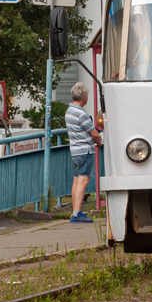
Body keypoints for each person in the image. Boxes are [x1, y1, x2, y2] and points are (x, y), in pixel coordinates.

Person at [66, 83, 101, 224]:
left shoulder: (69, 111)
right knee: (84, 180)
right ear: (84, 98)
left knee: (76, 180)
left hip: (74, 150)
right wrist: (99, 142)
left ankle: (74, 210)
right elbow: (94, 134)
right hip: (84, 150)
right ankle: (77, 213)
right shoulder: (82, 114)